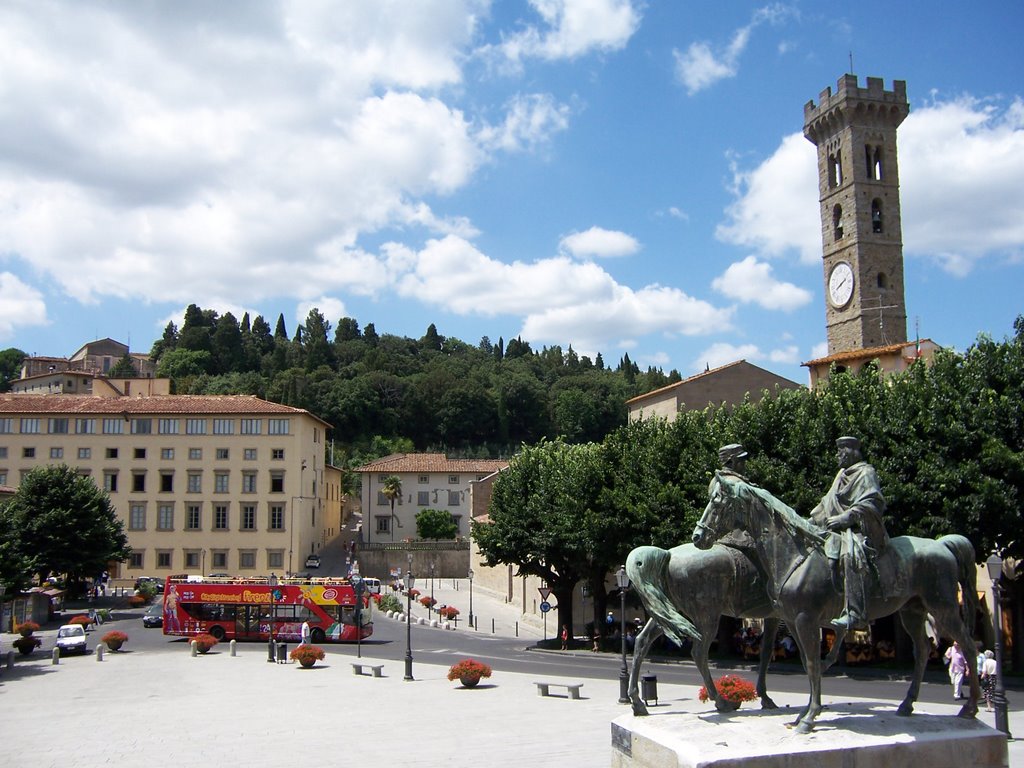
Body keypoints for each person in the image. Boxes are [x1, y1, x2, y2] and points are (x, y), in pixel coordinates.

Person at [810, 436, 889, 631]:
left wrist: (847, 517)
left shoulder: (866, 472)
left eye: (841, 452)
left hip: (859, 531)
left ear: (852, 451)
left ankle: (855, 613)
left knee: (850, 556)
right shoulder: (841, 475)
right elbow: (826, 503)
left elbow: (873, 502)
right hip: (836, 531)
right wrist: (809, 522)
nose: (838, 456)